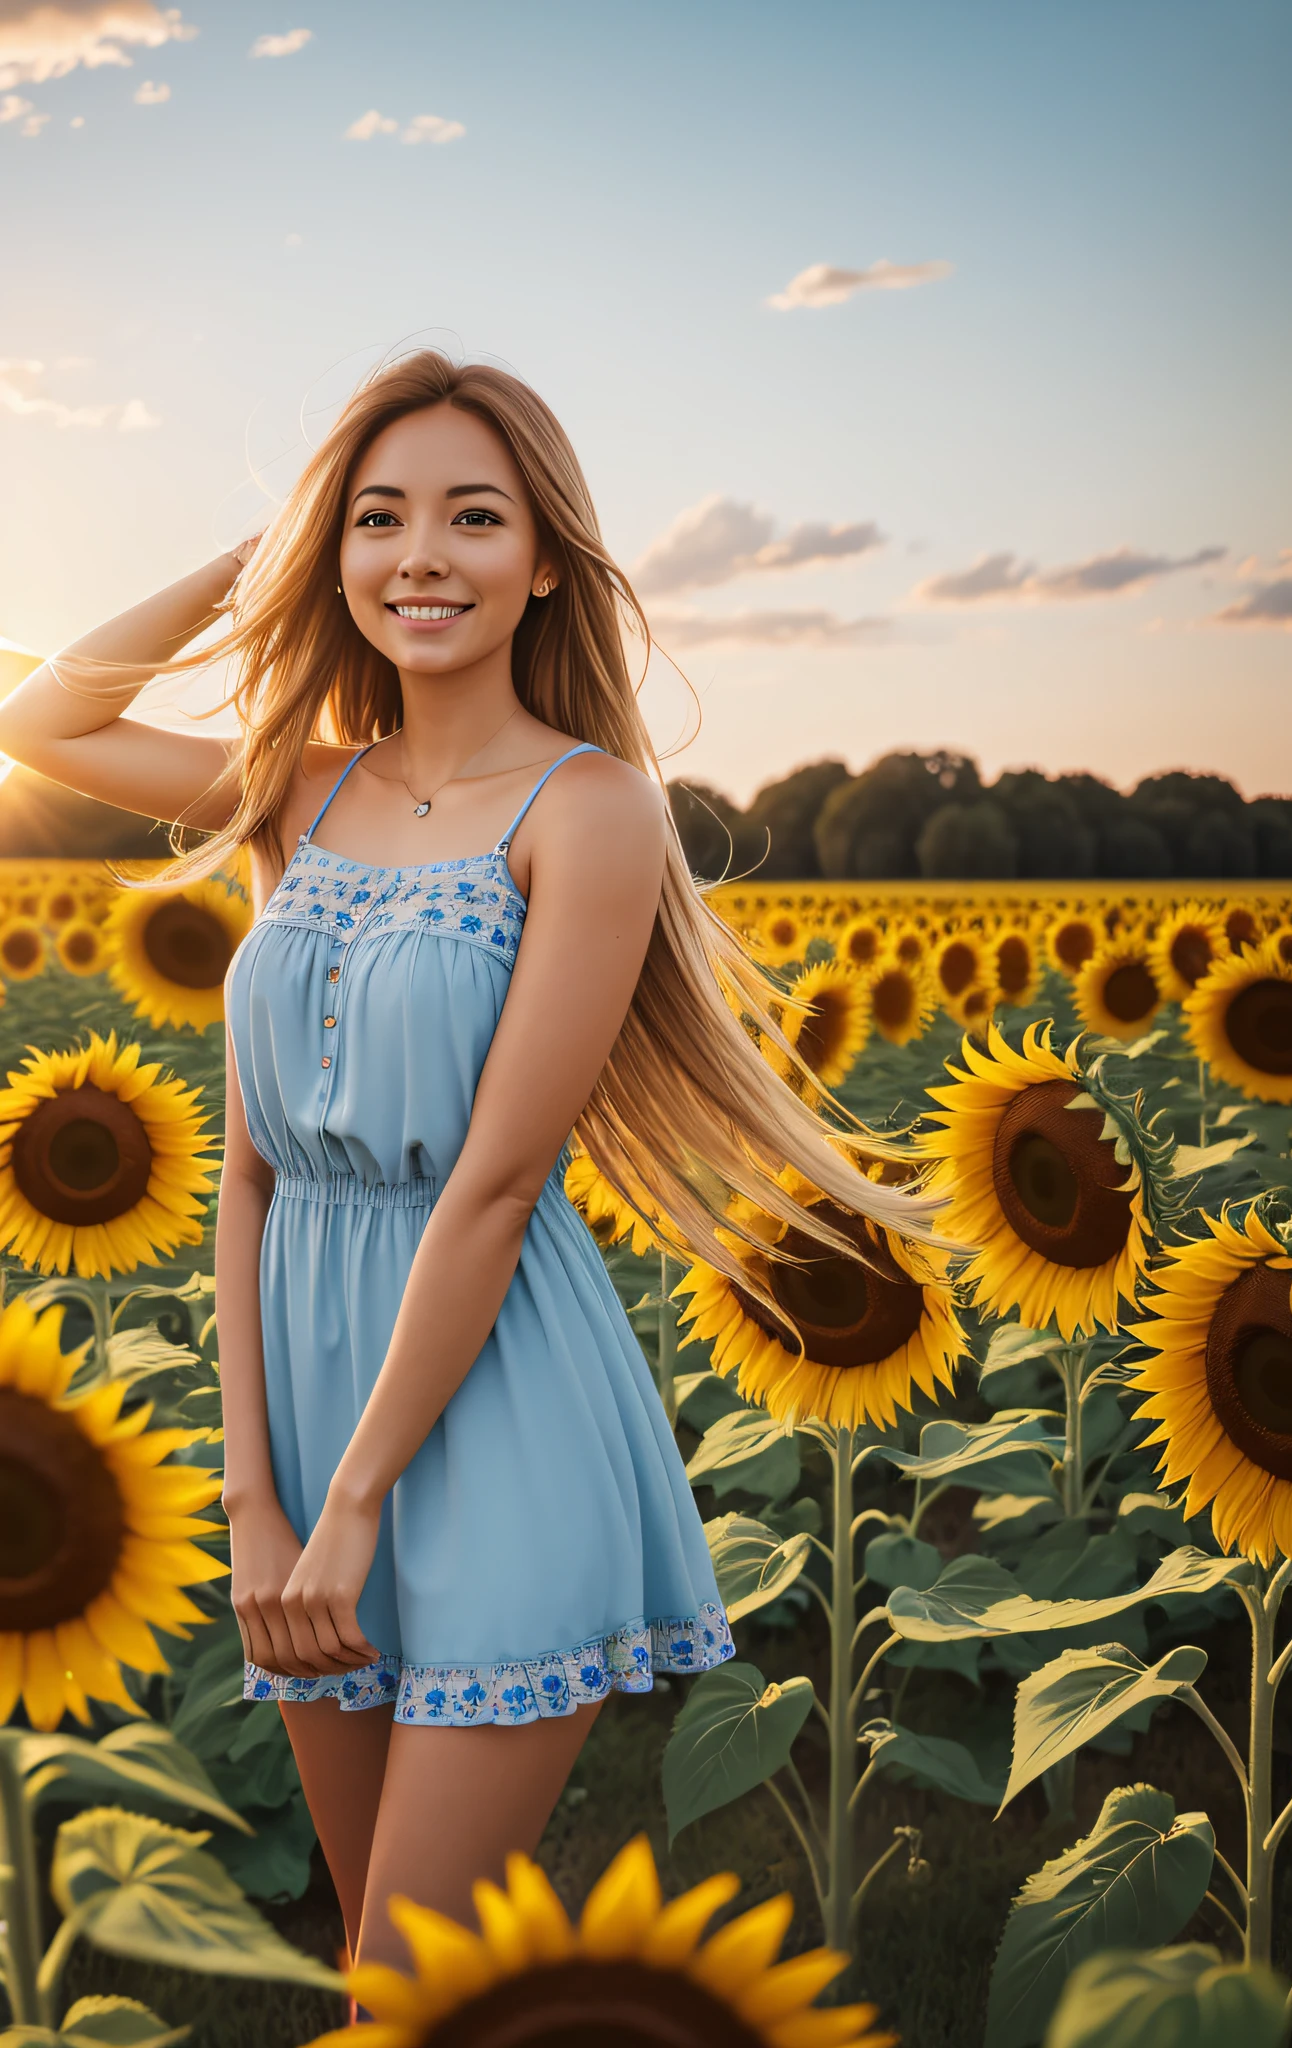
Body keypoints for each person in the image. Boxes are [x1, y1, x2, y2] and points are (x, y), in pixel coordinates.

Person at [0, 351, 937, 1979]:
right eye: (377, 520)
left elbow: (499, 1184)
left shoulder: (593, 812)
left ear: (549, 560)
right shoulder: (301, 784)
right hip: (302, 1412)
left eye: (472, 518)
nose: (421, 555)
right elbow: (249, 1169)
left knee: (407, 1983)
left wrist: (354, 1500)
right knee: (389, 1966)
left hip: (491, 1411)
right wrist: (261, 1493)